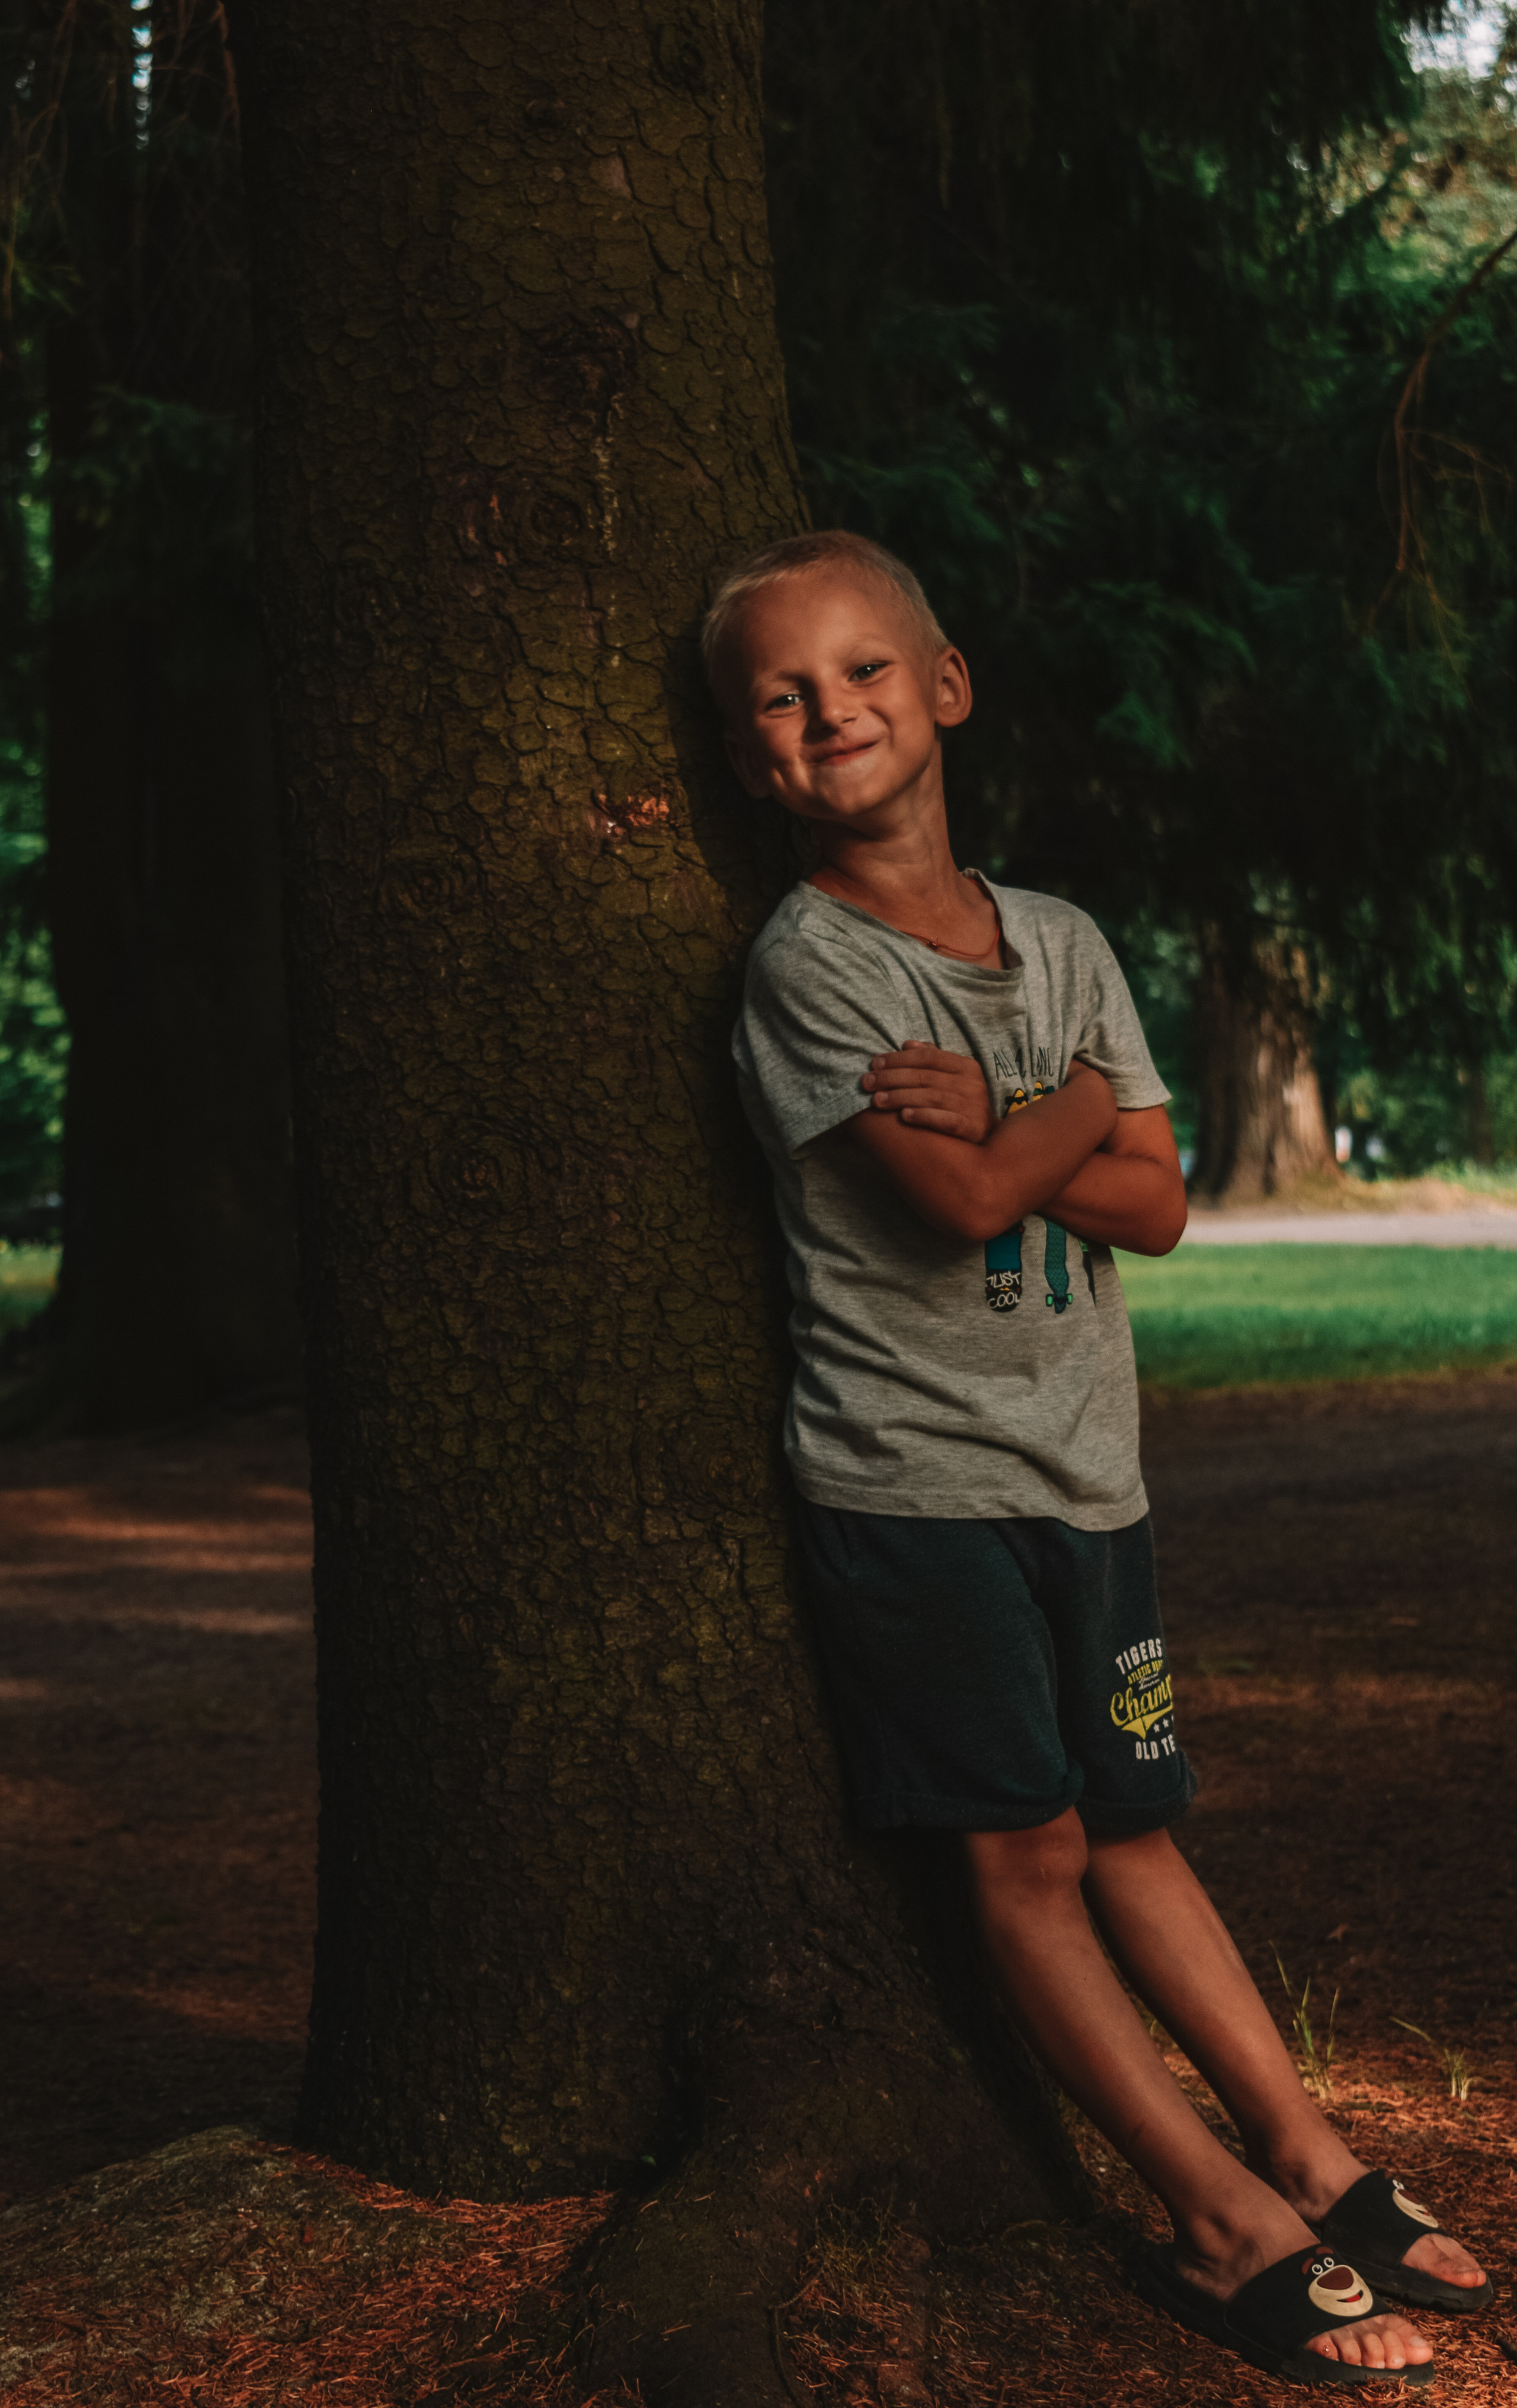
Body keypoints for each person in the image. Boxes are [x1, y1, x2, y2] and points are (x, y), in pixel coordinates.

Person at [712, 529, 1488, 2389]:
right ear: (757, 761)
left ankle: (1305, 2154)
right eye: (786, 700)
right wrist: (1055, 1109)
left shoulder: (1058, 939)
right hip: (918, 1489)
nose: (834, 714)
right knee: (1034, 1848)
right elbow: (977, 1188)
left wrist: (1028, 1113)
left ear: (947, 685)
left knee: (1141, 1824)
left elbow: (1160, 1209)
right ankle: (1218, 2227)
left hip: (1089, 1477)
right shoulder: (810, 971)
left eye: (866, 674)